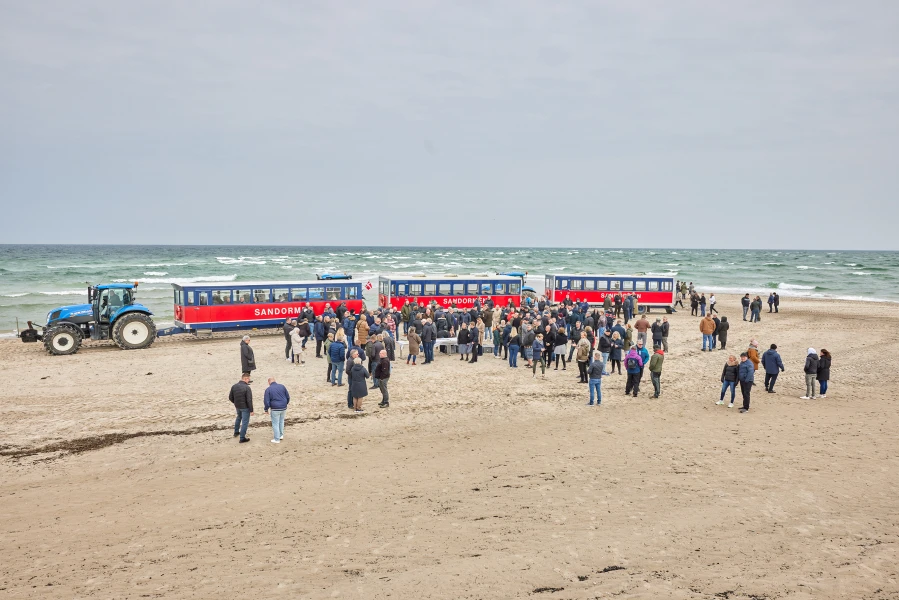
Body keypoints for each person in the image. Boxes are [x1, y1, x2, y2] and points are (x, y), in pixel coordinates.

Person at [263, 377, 290, 444]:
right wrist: (285, 403)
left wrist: (266, 409)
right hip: (283, 407)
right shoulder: (282, 386)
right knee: (281, 421)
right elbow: (288, 396)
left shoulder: (268, 389)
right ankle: (281, 435)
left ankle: (276, 439)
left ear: (269, 382)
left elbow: (266, 401)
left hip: (275, 408)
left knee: (275, 423)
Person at [229, 372, 254, 443]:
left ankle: (236, 432)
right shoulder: (247, 387)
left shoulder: (234, 386)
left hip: (238, 406)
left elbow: (230, 397)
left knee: (238, 418)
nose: (249, 380)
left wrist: (235, 403)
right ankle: (242, 438)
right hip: (245, 407)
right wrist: (251, 410)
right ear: (245, 379)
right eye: (248, 379)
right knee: (245, 422)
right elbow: (249, 400)